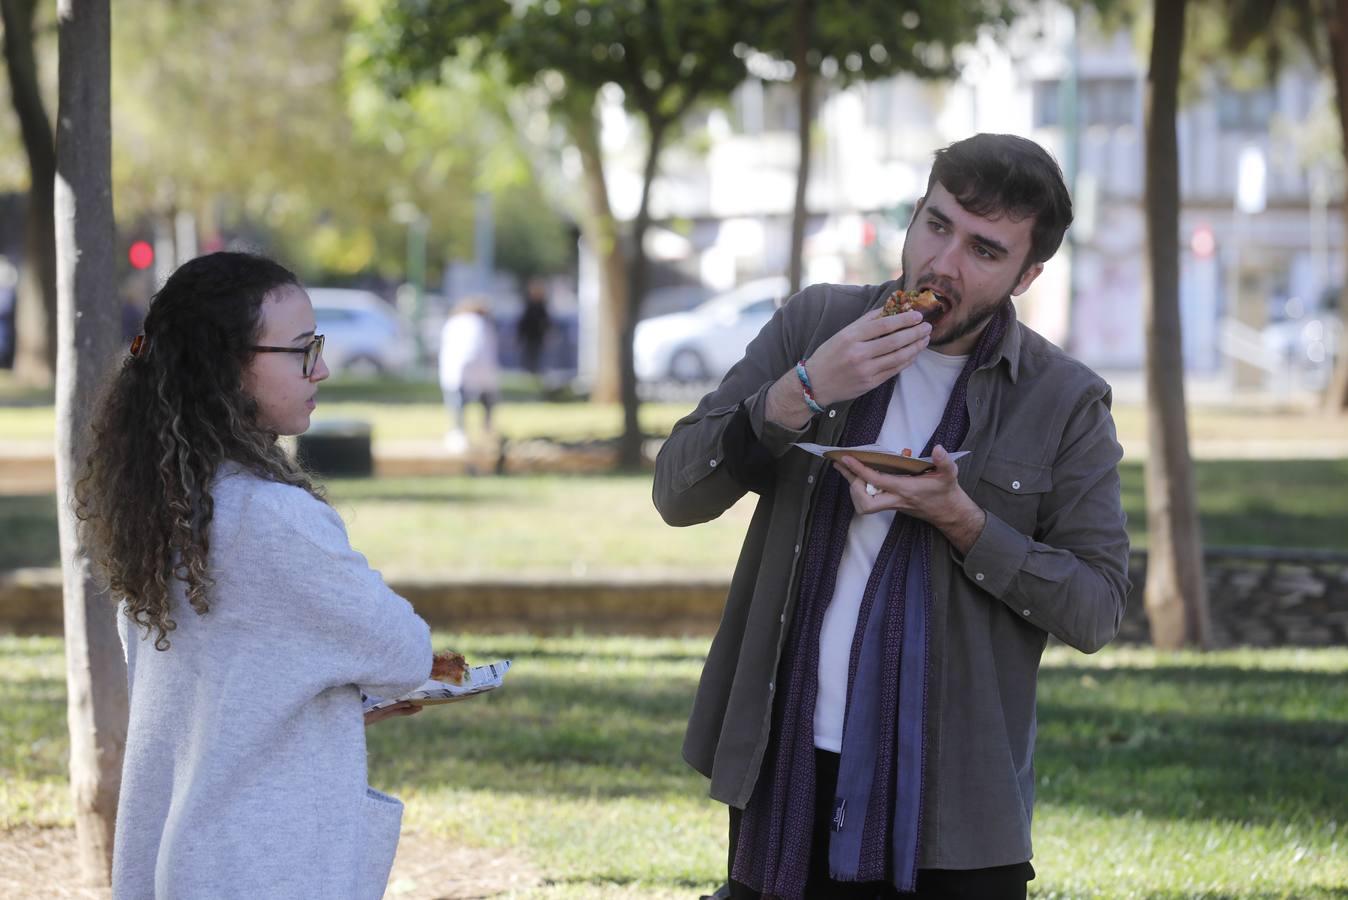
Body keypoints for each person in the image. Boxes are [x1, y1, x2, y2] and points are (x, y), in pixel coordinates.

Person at [654, 134, 1130, 900]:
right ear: (913, 218)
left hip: (956, 808)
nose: (944, 264)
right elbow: (677, 492)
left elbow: (1097, 609)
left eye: (984, 249)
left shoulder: (1065, 400)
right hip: (788, 768)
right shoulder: (816, 325)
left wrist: (964, 521)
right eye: (936, 226)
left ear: (1027, 274)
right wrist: (800, 390)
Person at [76, 251, 456, 899]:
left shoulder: (165, 514)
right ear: (226, 364)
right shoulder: (274, 517)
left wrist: (320, 698)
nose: (324, 369)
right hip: (261, 867)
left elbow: (222, 686)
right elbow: (405, 651)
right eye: (303, 349)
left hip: (182, 864)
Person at [438, 297, 500, 454]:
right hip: (480, 368)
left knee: (457, 403)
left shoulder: (454, 322)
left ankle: (459, 433)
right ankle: (487, 431)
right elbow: (489, 350)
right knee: (487, 401)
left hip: (458, 369)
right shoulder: (482, 324)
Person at [517, 277, 553, 379]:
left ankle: (534, 371)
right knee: (528, 352)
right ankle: (528, 371)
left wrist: (548, 331)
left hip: (538, 334)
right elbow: (523, 321)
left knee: (536, 353)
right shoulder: (529, 304)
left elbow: (546, 320)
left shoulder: (541, 305)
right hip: (529, 334)